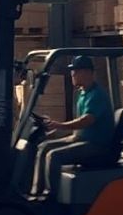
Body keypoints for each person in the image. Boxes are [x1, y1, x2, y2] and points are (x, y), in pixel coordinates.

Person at [31, 55, 116, 197]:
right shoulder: (82, 94)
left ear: (87, 73)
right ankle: (36, 192)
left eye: (76, 71)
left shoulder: (97, 95)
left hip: (96, 145)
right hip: (81, 139)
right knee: (43, 146)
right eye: (72, 71)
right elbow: (78, 128)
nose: (72, 74)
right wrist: (52, 133)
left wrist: (59, 125)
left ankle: (51, 198)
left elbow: (86, 121)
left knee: (54, 156)